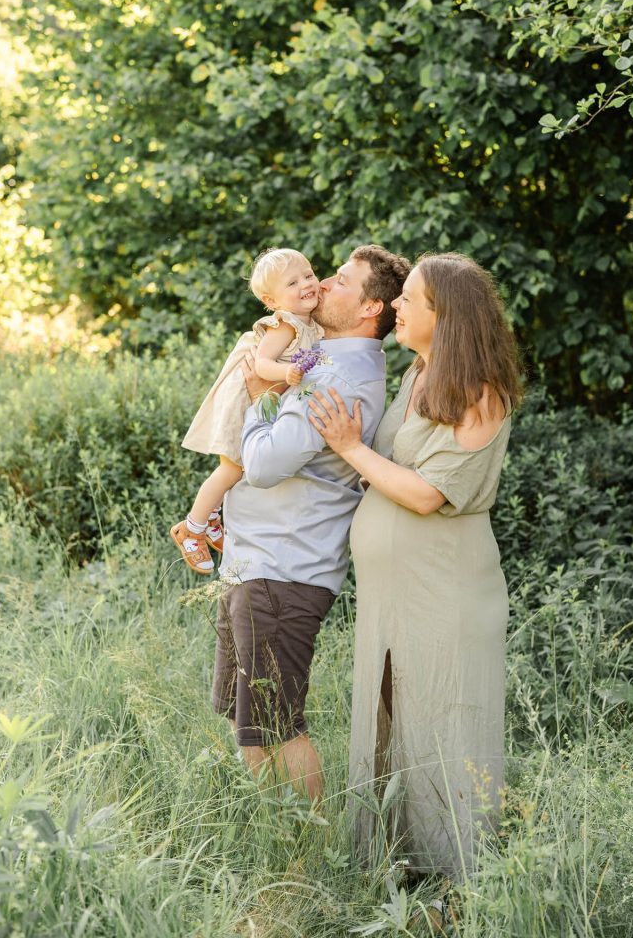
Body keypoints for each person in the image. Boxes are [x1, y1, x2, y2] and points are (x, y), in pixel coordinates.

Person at [308, 252, 522, 875]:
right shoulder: (415, 376)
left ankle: (458, 880)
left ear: (446, 316)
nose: (398, 304)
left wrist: (348, 448)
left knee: (443, 724)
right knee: (391, 718)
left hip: (446, 589)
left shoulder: (483, 395)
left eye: (412, 299)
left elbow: (428, 494)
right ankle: (396, 866)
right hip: (392, 593)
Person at [212, 245, 411, 801]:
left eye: (341, 282)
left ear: (372, 309)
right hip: (259, 561)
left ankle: (309, 856)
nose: (322, 285)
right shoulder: (324, 358)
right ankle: (281, 835)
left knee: (277, 724)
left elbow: (267, 464)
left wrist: (257, 399)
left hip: (284, 568)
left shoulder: (337, 376)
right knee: (247, 719)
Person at [171, 247, 323, 574]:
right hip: (246, 401)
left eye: (308, 275)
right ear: (272, 302)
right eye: (292, 283)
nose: (306, 285)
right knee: (231, 469)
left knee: (238, 467)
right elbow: (264, 363)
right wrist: (287, 374)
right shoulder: (286, 324)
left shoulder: (310, 320)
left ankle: (211, 517)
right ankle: (191, 530)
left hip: (265, 401)